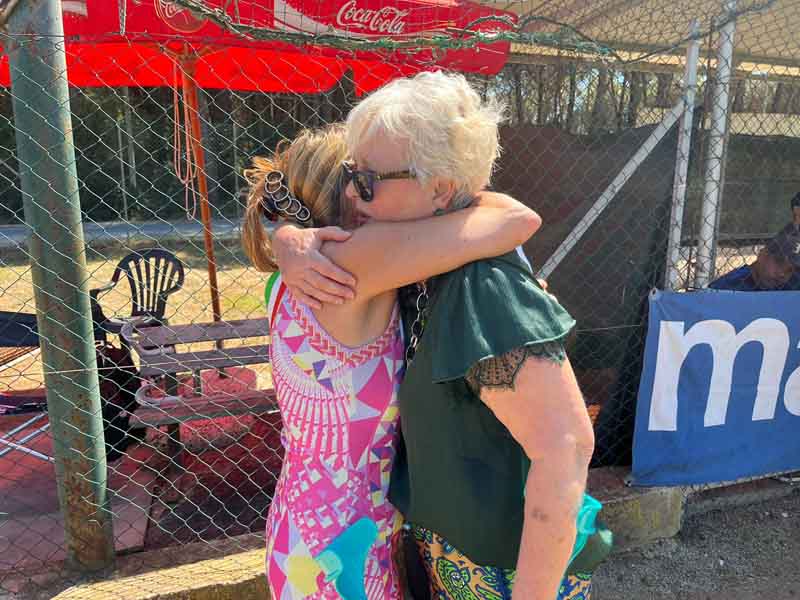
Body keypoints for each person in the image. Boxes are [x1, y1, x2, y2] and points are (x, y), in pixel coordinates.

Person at [273, 72, 597, 600]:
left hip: (506, 573)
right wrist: (287, 237)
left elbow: (567, 447)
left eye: (368, 180)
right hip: (451, 560)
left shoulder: (480, 284)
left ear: (441, 188)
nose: (351, 194)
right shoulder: (418, 273)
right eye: (350, 174)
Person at [242, 123, 541, 599]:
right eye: (366, 178)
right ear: (347, 195)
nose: (375, 186)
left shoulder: (293, 278)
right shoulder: (351, 266)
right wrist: (443, 187)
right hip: (339, 552)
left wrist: (286, 233)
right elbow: (516, 219)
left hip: (308, 532)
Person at [709, 223, 800, 291]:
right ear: (762, 255)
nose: (782, 274)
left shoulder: (792, 283)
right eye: (779, 263)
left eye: (790, 270)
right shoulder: (727, 288)